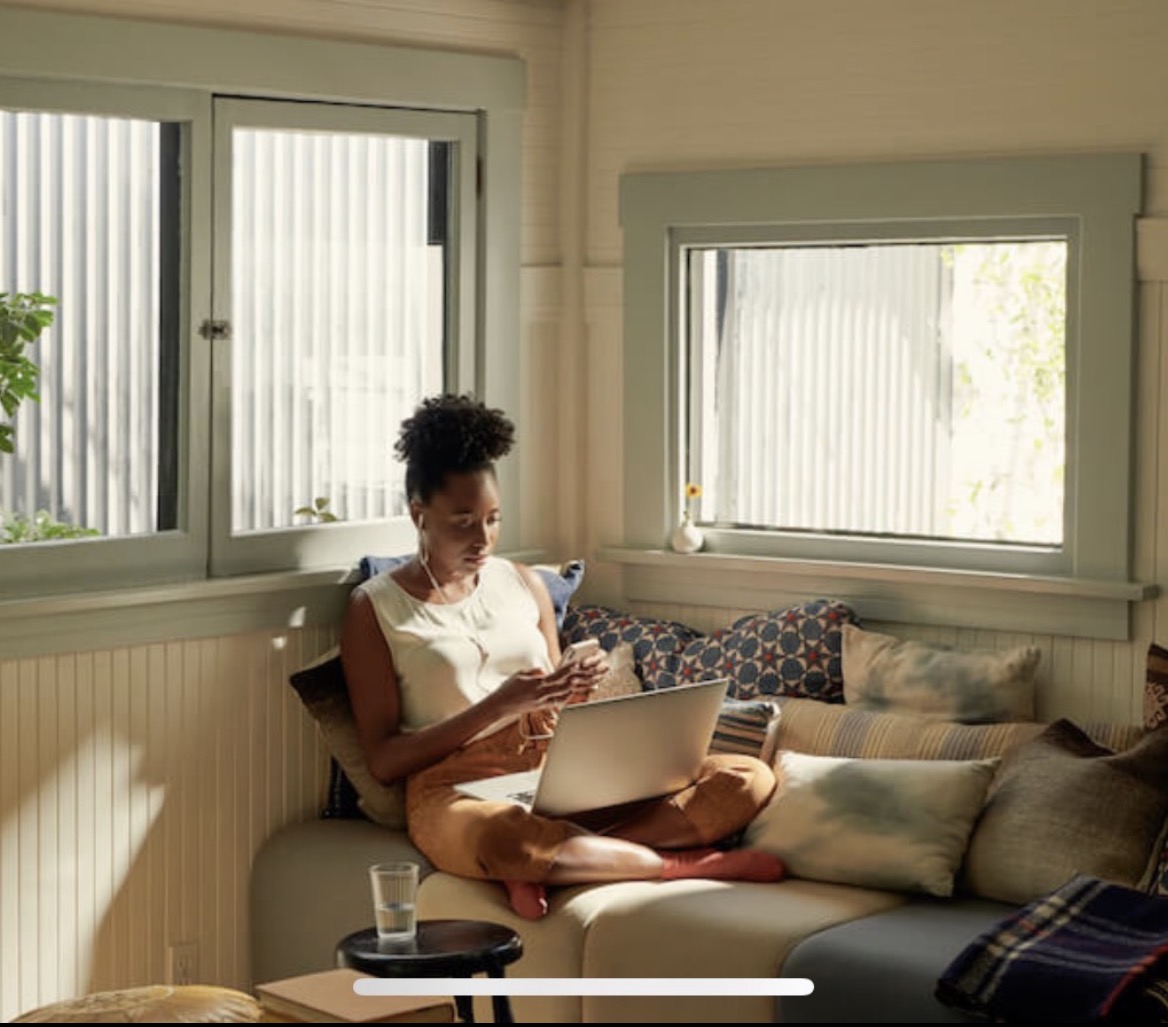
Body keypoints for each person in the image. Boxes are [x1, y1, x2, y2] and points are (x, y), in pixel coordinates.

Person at [341, 393, 784, 920]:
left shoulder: (522, 582)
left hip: (555, 769)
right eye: (463, 521)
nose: (483, 539)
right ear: (419, 514)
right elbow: (384, 761)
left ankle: (558, 858)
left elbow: (554, 696)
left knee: (744, 778)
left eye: (493, 519)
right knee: (500, 835)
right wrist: (498, 706)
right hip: (456, 790)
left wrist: (572, 688)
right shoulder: (375, 608)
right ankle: (675, 865)